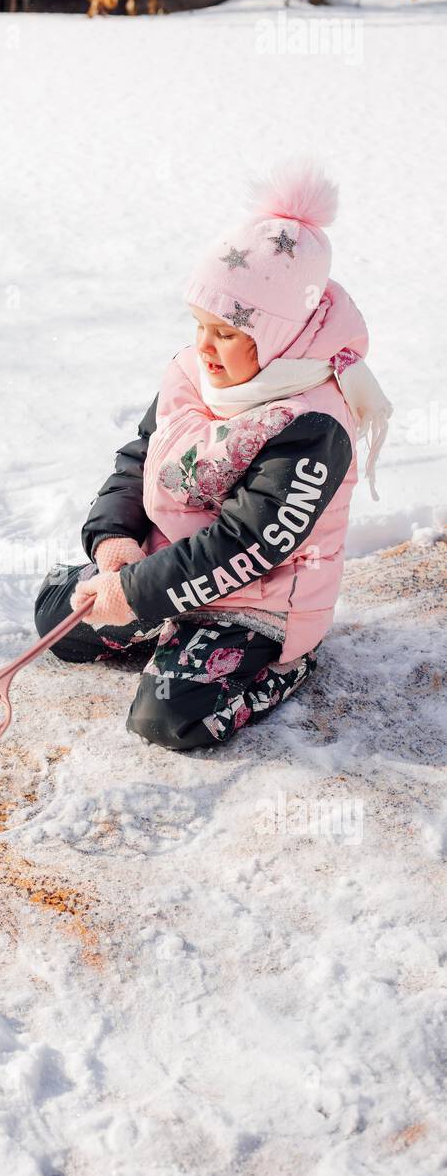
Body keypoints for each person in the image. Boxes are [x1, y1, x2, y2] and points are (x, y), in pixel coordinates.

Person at [33, 157, 393, 750]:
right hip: (169, 567)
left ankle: (280, 669)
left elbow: (248, 543)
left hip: (257, 596)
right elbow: (140, 456)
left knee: (170, 719)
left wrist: (139, 593)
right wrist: (115, 542)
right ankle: (165, 623)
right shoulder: (196, 373)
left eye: (227, 333)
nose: (205, 348)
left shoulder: (311, 424)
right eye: (200, 324)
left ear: (278, 335)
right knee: (57, 618)